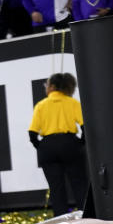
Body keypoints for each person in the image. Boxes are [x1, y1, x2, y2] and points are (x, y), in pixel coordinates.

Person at [28, 72, 88, 216]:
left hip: (48, 147)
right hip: (70, 145)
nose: (45, 87)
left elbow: (32, 133)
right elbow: (85, 127)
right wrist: (80, 144)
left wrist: (42, 147)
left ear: (52, 87)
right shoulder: (73, 103)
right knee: (79, 185)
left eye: (46, 84)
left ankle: (60, 222)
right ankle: (86, 217)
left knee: (56, 188)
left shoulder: (41, 105)